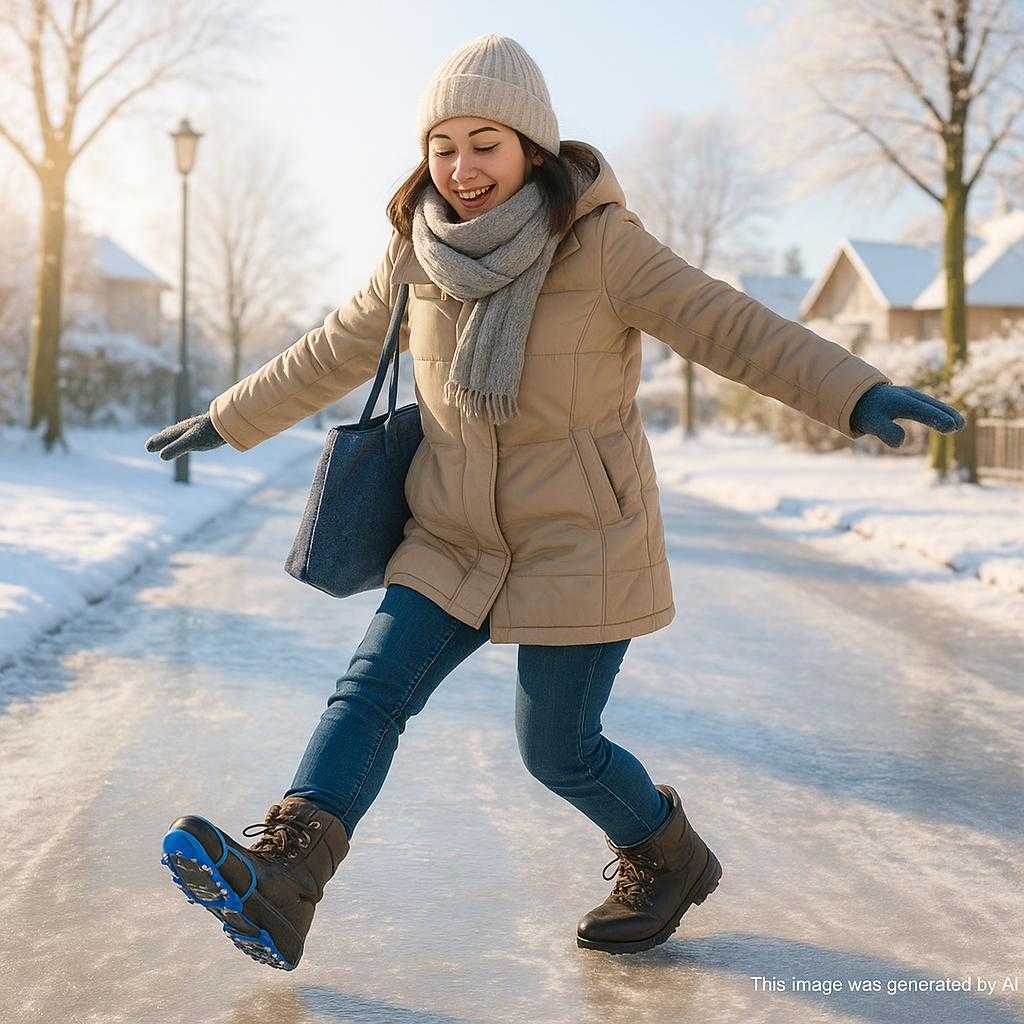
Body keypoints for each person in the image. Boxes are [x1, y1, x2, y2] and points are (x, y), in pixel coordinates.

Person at [146, 33, 966, 971]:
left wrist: (853, 391)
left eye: (484, 143)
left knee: (558, 749)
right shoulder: (413, 250)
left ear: (532, 146)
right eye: (442, 145)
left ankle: (668, 856)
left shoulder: (604, 245)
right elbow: (331, 348)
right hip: (451, 531)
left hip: (582, 536)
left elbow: (727, 324)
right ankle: (285, 883)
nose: (460, 168)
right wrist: (226, 416)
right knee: (367, 692)